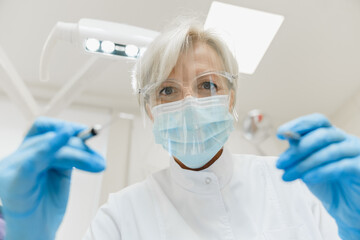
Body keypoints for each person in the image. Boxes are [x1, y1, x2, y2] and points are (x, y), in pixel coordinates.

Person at [0, 19, 360, 240]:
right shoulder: (121, 216)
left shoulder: (297, 187)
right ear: (151, 110)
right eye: (167, 90)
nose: (189, 102)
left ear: (230, 99)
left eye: (207, 85)